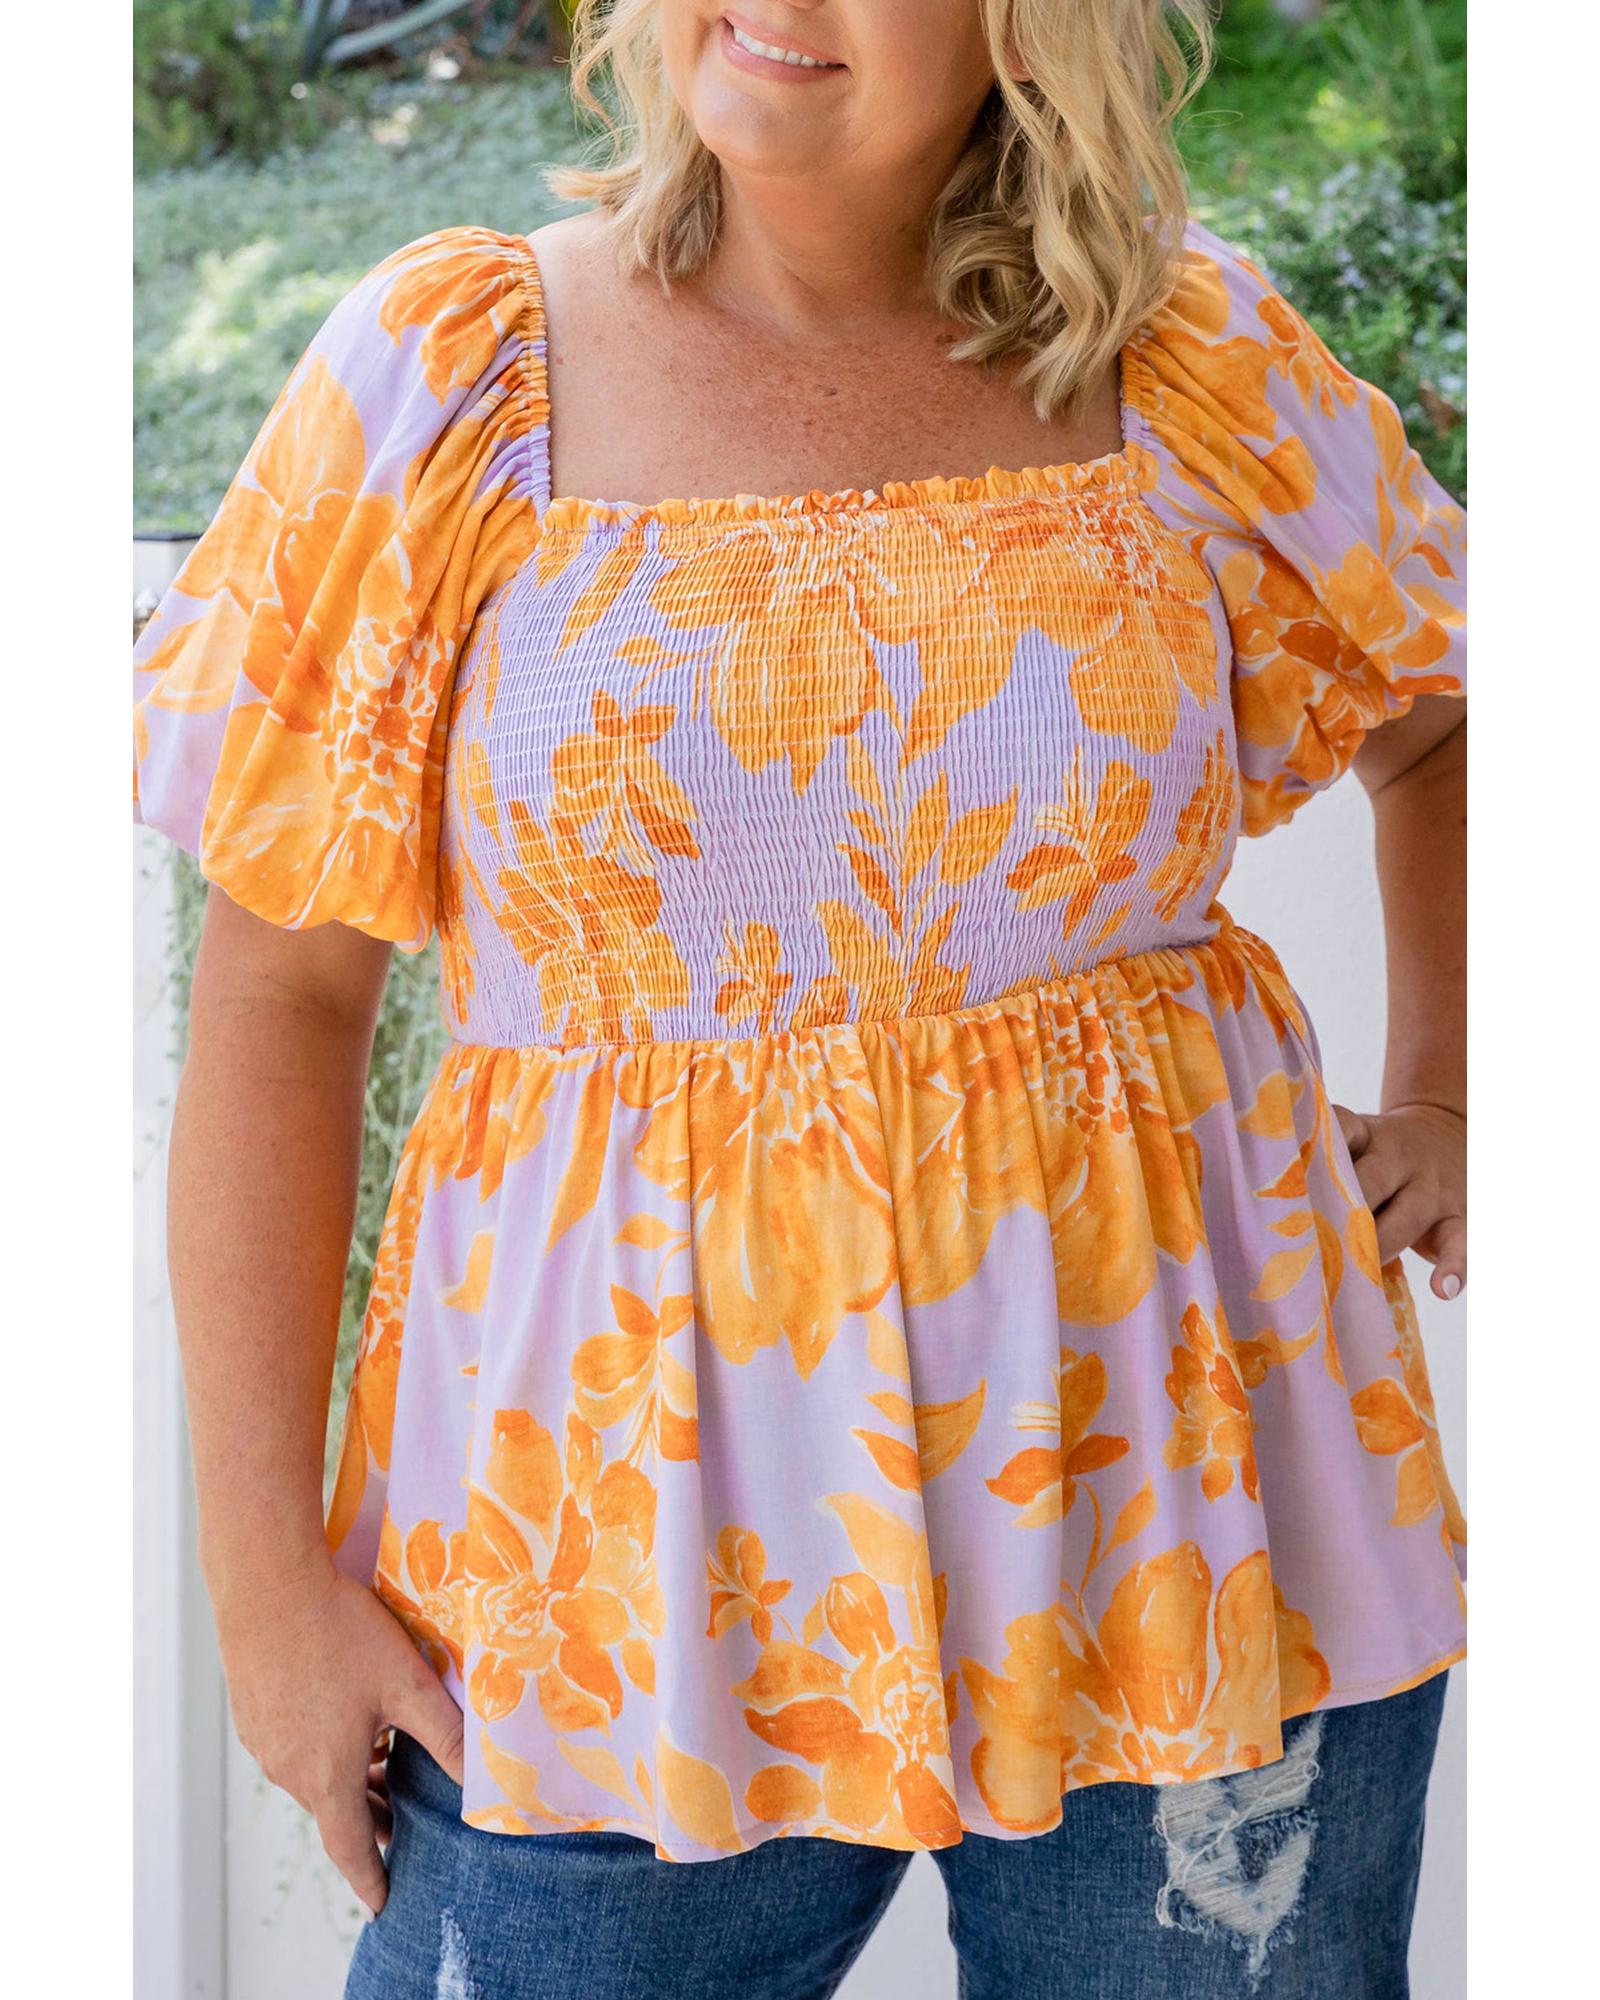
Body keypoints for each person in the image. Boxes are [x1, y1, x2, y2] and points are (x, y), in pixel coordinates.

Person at [131, 3, 1467, 1994]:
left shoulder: (1181, 355)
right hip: (607, 1565)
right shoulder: (452, 374)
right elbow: (282, 996)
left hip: (1198, 1504)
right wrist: (263, 1588)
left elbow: (1445, 719)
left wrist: (1453, 1096)